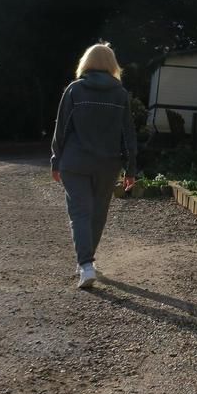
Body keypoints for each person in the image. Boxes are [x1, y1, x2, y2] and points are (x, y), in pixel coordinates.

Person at [50, 43, 138, 289]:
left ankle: (86, 265)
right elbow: (128, 134)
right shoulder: (120, 94)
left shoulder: (74, 90)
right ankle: (87, 263)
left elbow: (62, 129)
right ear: (112, 65)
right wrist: (131, 169)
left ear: (86, 62)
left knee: (79, 213)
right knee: (98, 213)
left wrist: (56, 159)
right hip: (108, 165)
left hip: (74, 162)